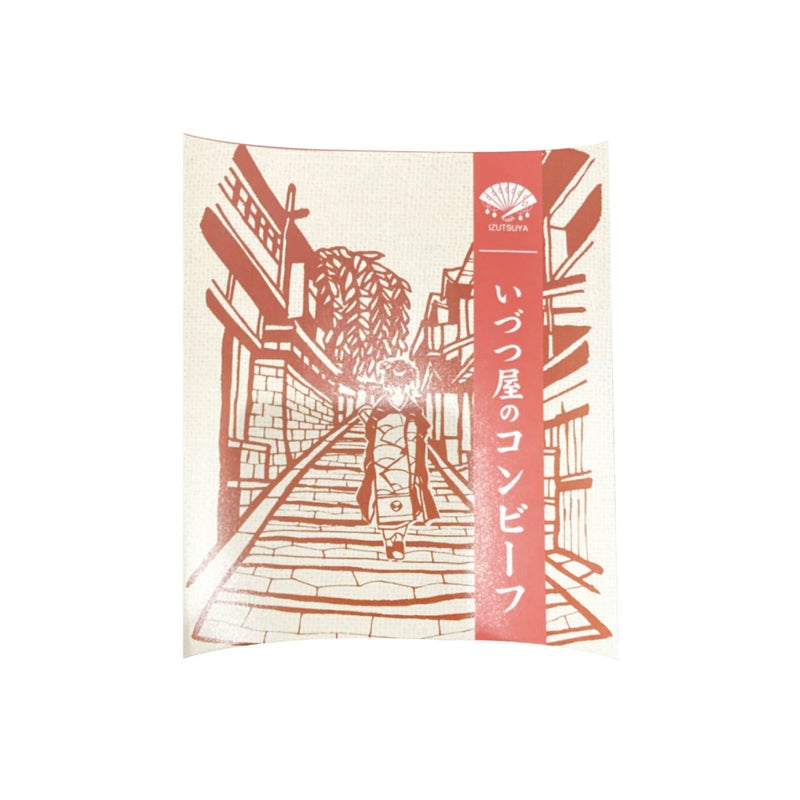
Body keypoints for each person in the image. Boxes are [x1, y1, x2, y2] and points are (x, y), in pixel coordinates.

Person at [356, 358, 439, 560]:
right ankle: (388, 540)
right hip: (382, 460)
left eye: (402, 385)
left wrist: (410, 437)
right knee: (384, 496)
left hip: (408, 460)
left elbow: (423, 429)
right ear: (388, 384)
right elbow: (370, 432)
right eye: (394, 385)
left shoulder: (413, 407)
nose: (398, 389)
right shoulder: (381, 406)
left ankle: (399, 539)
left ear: (409, 384)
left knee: (406, 497)